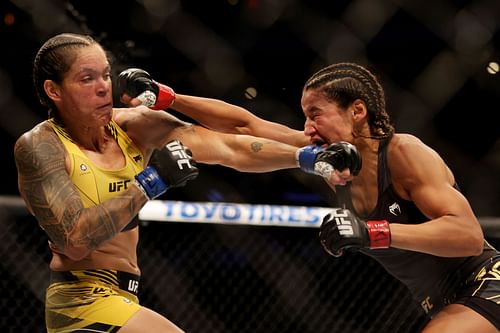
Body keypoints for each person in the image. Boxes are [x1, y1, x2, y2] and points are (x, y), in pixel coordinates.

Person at [13, 33, 361, 333]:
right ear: (53, 90)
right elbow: (74, 239)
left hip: (125, 296)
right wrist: (151, 181)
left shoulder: (135, 126)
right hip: (81, 302)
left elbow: (229, 146)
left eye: (105, 74)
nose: (104, 86)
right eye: (87, 78)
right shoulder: (41, 147)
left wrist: (307, 159)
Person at [133, 62, 500, 332]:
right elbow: (246, 125)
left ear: (357, 111)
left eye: (315, 115)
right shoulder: (331, 159)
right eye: (304, 117)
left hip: (486, 281)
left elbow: (466, 237)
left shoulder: (404, 153)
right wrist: (168, 97)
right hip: (439, 302)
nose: (307, 129)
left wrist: (372, 231)